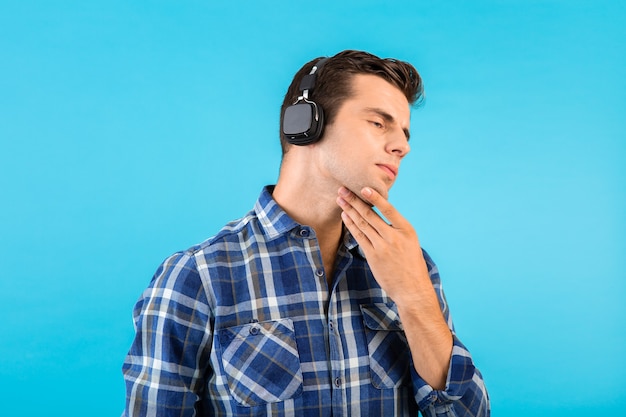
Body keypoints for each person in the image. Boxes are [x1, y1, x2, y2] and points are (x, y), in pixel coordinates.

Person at [122, 49, 490, 416]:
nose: (403, 146)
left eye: (404, 133)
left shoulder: (412, 265)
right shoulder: (196, 277)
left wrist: (415, 297)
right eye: (379, 123)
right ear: (305, 123)